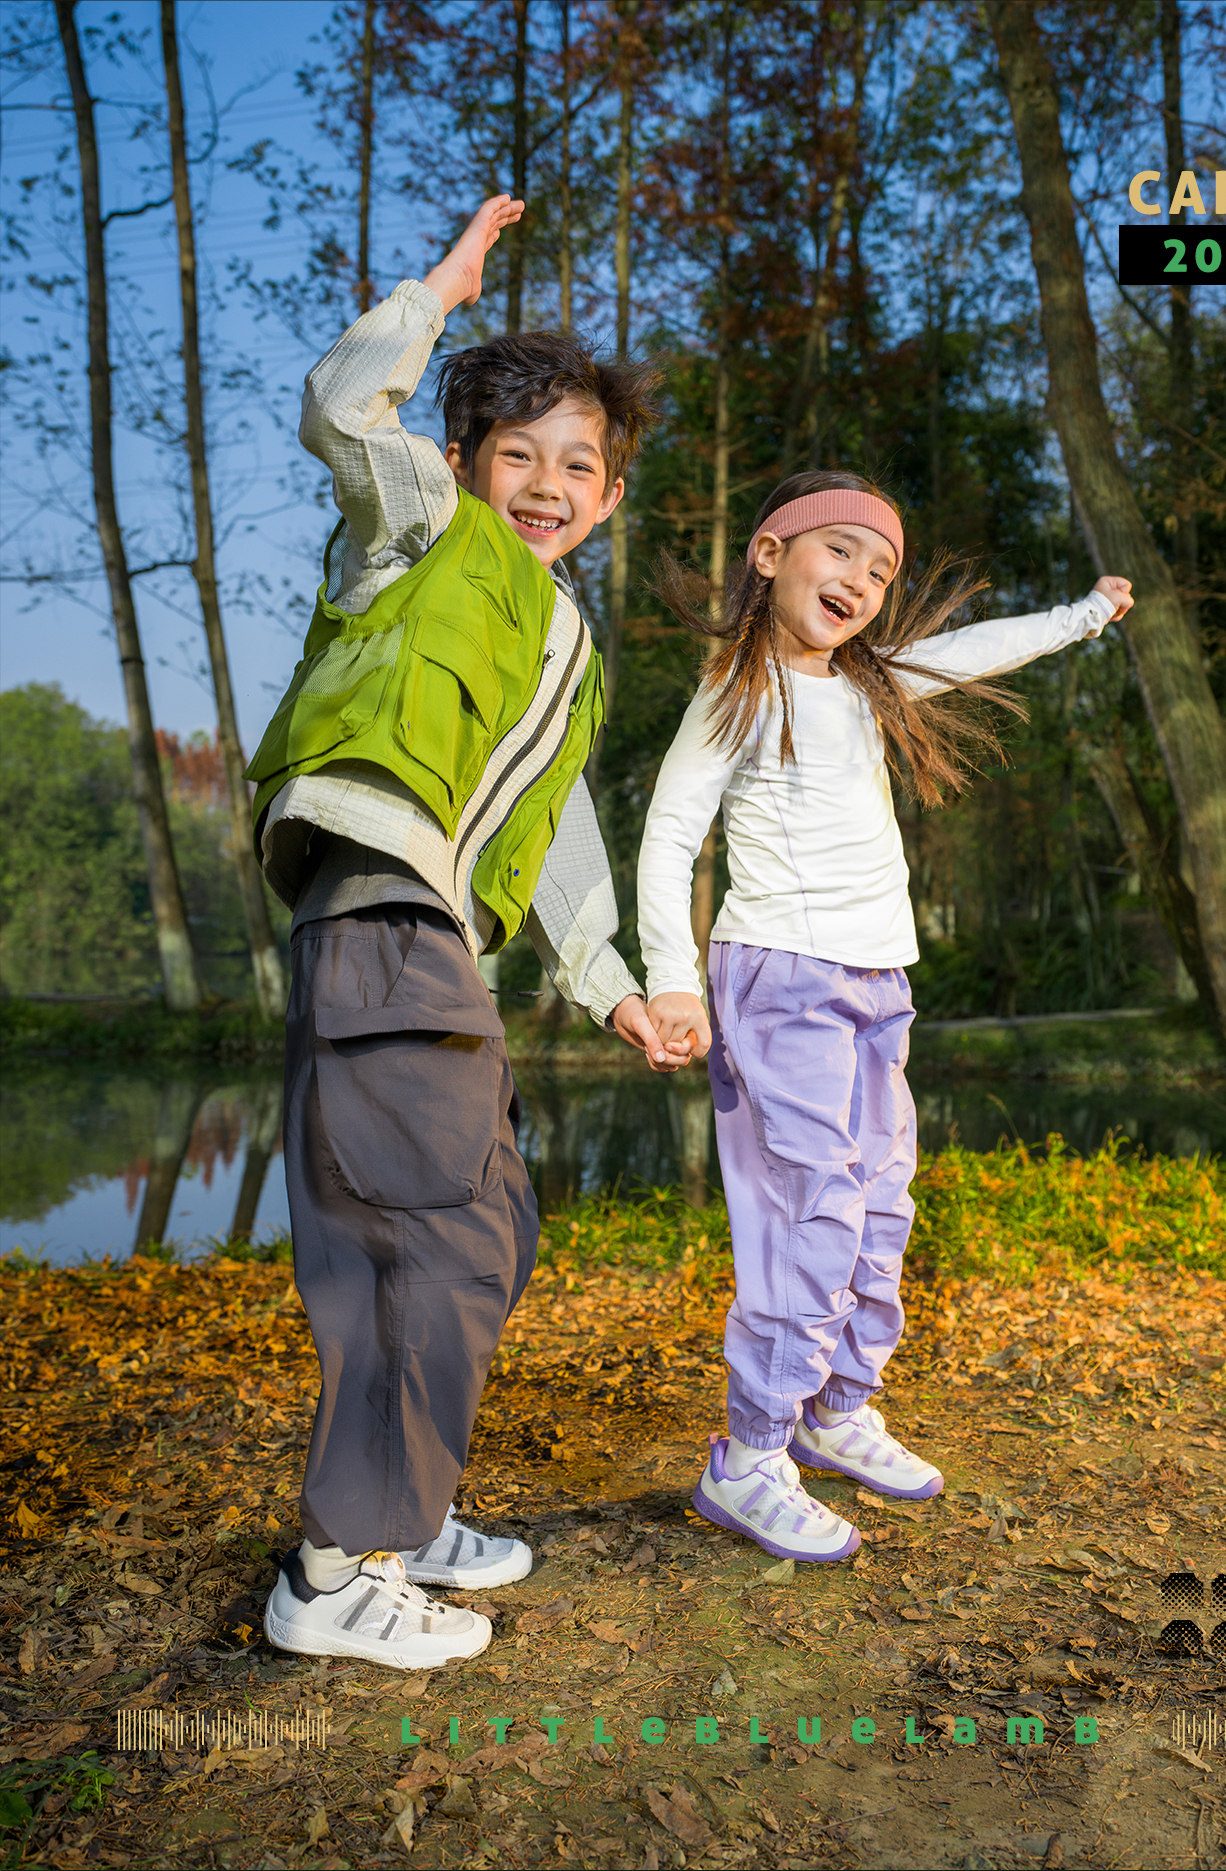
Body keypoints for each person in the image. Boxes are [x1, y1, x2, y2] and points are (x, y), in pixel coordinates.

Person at [245, 199, 685, 1670]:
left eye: (581, 464)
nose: (550, 483)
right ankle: (336, 1566)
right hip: (379, 907)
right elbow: (339, 405)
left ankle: (407, 1503)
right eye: (522, 454)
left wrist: (616, 989)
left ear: (610, 496)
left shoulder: (567, 642)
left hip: (432, 944)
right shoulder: (422, 530)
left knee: (487, 1224)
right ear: (463, 460)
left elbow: (555, 830)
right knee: (424, 1241)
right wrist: (438, 291)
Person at [635, 470, 1133, 1561]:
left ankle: (834, 1406)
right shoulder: (738, 689)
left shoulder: (870, 684)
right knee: (811, 1208)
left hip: (877, 981)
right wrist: (671, 977)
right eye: (840, 550)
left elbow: (977, 648)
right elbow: (669, 834)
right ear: (771, 554)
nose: (860, 579)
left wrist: (1083, 615)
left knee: (880, 1202)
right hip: (780, 975)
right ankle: (749, 1454)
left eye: (881, 568)